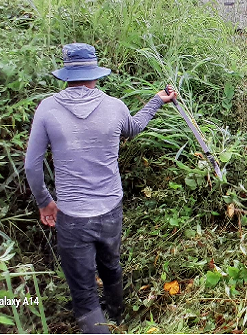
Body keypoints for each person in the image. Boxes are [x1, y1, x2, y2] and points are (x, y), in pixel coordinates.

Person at [24, 43, 177, 333]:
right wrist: (157, 100)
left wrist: (45, 202)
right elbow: (134, 127)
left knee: (83, 292)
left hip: (71, 216)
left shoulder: (48, 109)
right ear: (95, 73)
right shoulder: (114, 107)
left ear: (66, 74)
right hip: (110, 210)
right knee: (111, 268)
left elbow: (32, 166)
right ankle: (117, 319)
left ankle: (102, 325)